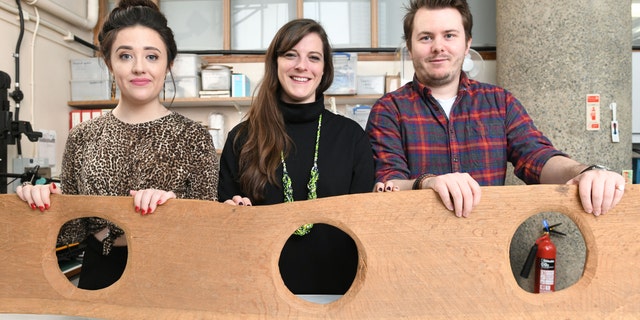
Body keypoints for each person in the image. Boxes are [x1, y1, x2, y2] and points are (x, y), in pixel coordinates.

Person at [15, 0, 219, 290]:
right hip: (98, 273)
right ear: (109, 62)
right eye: (125, 56)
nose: (139, 68)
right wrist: (41, 200)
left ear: (168, 63)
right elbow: (71, 228)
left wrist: (174, 211)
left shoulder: (195, 137)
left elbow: (209, 232)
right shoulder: (83, 135)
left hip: (170, 277)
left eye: (152, 56)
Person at [366, 0, 625, 218]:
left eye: (449, 35)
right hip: (414, 252)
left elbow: (538, 157)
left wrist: (586, 172)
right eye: (425, 37)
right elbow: (389, 184)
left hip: (488, 251)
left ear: (467, 43)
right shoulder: (388, 110)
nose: (438, 47)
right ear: (410, 48)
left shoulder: (499, 103)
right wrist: (429, 182)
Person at [217, 19, 374, 295]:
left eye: (313, 57)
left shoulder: (351, 137)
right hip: (259, 295)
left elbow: (367, 226)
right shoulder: (242, 139)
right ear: (275, 63)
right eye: (291, 54)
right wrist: (232, 213)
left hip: (340, 296)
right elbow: (223, 229)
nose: (302, 65)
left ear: (324, 69)